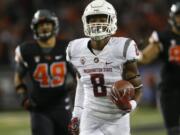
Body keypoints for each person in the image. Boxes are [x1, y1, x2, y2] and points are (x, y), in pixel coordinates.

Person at [67, 0, 143, 135]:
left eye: (102, 18)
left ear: (112, 20)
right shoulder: (75, 49)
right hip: (91, 117)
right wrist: (76, 115)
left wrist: (130, 105)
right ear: (85, 22)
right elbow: (81, 85)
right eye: (93, 19)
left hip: (118, 118)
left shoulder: (123, 47)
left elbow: (137, 85)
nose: (97, 23)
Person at [14, 9, 76, 135]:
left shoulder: (67, 48)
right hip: (39, 108)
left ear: (54, 26)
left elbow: (78, 76)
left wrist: (73, 84)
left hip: (62, 107)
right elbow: (18, 77)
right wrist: (23, 97)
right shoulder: (27, 50)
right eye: (41, 25)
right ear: (35, 28)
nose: (44, 27)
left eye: (47, 24)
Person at [138, 2, 180, 135]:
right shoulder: (164, 37)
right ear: (173, 18)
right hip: (171, 91)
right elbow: (145, 57)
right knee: (174, 131)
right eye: (179, 16)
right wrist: (134, 53)